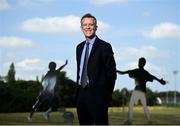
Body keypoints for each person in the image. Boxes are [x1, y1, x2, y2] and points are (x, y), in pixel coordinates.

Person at [76, 13, 117, 125]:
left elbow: (111, 74)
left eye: (91, 24)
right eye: (85, 25)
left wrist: (106, 97)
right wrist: (78, 96)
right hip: (81, 95)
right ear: (81, 28)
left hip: (98, 97)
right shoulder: (79, 48)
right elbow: (80, 72)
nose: (88, 27)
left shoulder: (105, 46)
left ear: (96, 27)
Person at [117, 57, 166, 125]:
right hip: (142, 91)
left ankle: (130, 121)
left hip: (137, 90)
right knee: (144, 106)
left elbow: (123, 72)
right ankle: (149, 121)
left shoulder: (137, 71)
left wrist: (115, 70)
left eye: (139, 62)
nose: (139, 63)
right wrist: (160, 81)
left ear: (141, 63)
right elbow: (153, 77)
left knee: (131, 105)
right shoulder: (145, 73)